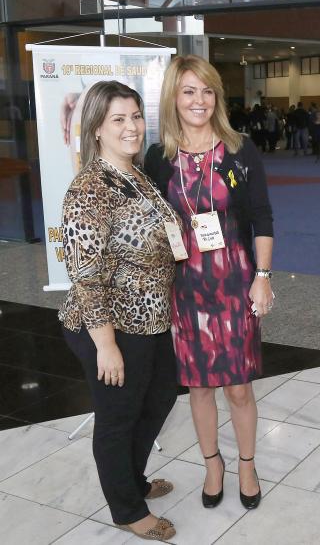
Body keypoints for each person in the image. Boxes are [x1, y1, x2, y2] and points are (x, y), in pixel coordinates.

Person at [144, 55, 275, 511]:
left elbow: (261, 216)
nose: (198, 100)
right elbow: (154, 224)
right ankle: (212, 464)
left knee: (238, 386)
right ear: (173, 99)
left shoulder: (239, 149)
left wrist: (263, 277)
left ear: (216, 96)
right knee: (198, 386)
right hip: (186, 286)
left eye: (206, 90)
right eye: (188, 91)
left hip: (235, 280)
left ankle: (247, 463)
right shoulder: (160, 159)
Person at [59, 81, 179, 541]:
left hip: (150, 319)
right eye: (118, 120)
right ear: (95, 129)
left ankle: (134, 479)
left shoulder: (136, 173)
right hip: (108, 324)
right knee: (118, 417)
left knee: (161, 396)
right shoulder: (88, 190)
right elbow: (85, 276)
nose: (131, 127)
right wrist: (105, 344)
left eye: (134, 116)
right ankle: (128, 508)